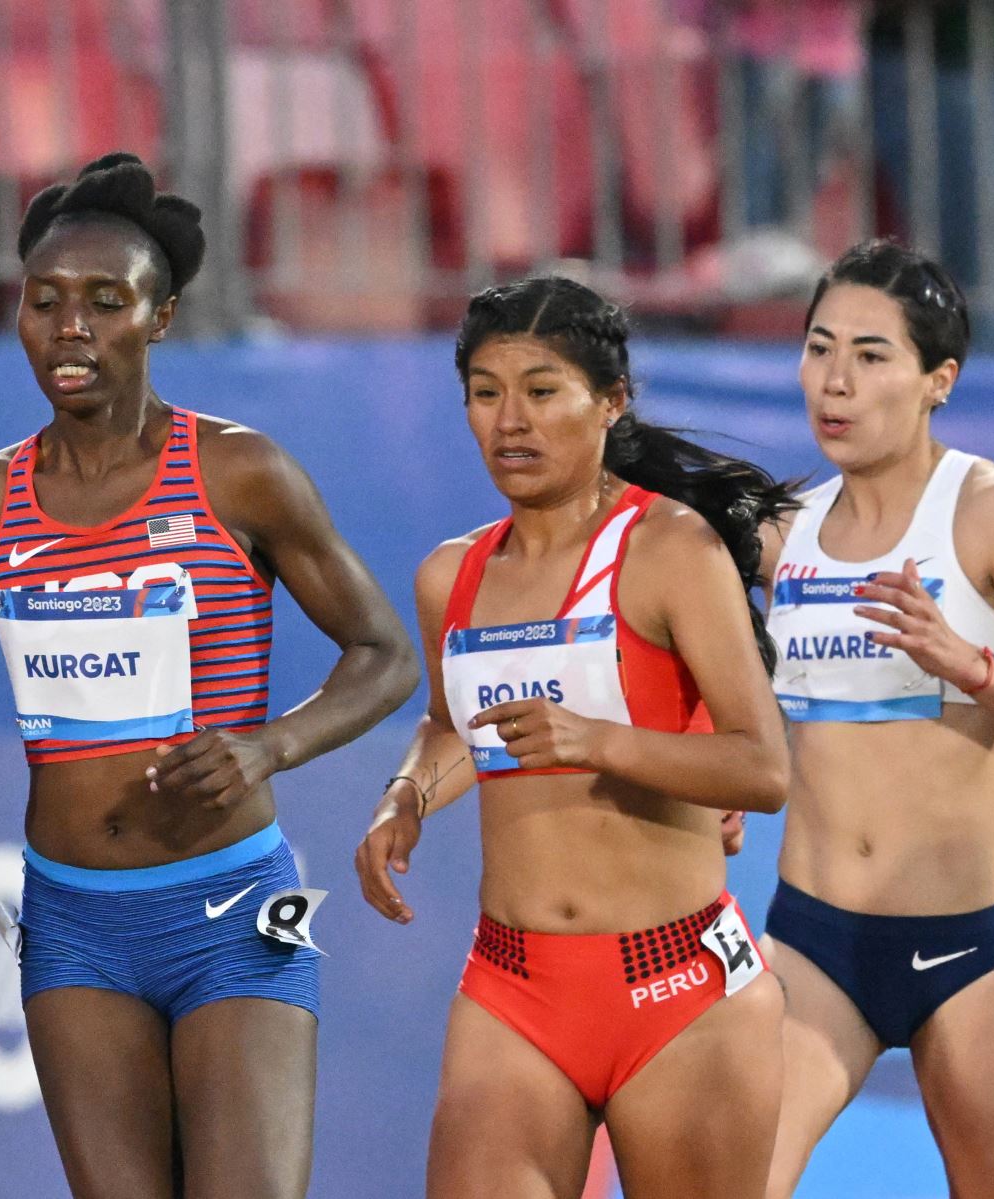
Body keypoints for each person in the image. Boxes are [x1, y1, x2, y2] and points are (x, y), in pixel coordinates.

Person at [0, 152, 419, 1199]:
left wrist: (268, 745)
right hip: (74, 923)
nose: (71, 327)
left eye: (106, 301)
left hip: (229, 903)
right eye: (45, 301)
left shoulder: (240, 472)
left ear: (161, 319)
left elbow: (386, 652)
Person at [355, 275, 797, 1198]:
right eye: (485, 392)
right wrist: (407, 796)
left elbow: (762, 768)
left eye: (542, 389)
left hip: (679, 993)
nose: (510, 420)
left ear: (611, 401)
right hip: (511, 988)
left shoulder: (671, 550)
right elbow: (454, 725)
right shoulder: (449, 575)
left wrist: (598, 740)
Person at [760, 240, 994, 1197]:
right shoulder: (782, 530)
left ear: (940, 380)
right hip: (813, 946)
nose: (835, 381)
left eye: (871, 355)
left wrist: (971, 666)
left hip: (978, 954)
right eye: (818, 347)